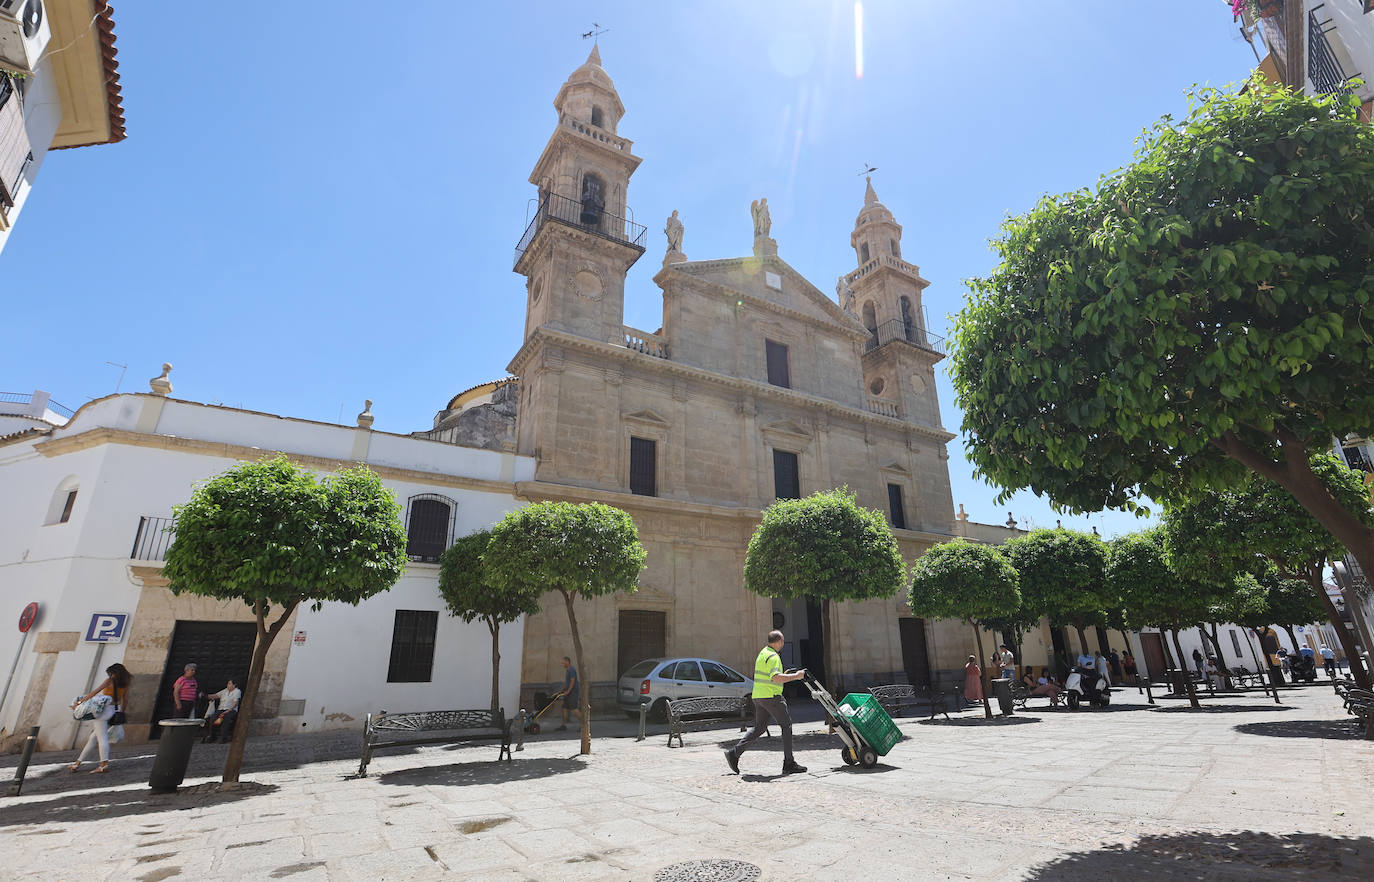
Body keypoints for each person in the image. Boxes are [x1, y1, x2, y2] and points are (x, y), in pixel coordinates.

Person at [724, 630, 808, 775]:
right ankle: (789, 763)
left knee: (759, 728)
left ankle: (734, 753)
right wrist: (797, 676)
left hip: (759, 697)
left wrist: (784, 675)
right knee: (786, 726)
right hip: (772, 697)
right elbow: (775, 678)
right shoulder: (774, 656)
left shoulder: (763, 653)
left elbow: (770, 676)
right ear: (780, 641)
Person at [69, 663, 132, 774]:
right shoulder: (126, 683)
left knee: (102, 738)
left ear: (113, 672)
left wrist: (79, 703)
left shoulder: (109, 681)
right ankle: (77, 763)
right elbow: (125, 700)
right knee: (93, 738)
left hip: (104, 711)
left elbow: (93, 693)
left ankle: (104, 765)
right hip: (115, 710)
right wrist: (122, 712)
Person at [203, 678, 242, 743]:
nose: (228, 685)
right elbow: (216, 695)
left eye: (229, 683)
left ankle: (224, 737)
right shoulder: (225, 691)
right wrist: (206, 696)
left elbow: (235, 703)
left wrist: (228, 710)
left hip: (230, 710)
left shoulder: (237, 691)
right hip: (221, 710)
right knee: (213, 719)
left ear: (234, 685)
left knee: (225, 718)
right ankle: (212, 736)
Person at [555, 656, 581, 732]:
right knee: (564, 708)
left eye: (563, 662)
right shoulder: (568, 670)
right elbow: (568, 682)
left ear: (567, 662)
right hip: (568, 692)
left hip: (573, 693)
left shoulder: (571, 670)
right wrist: (563, 690)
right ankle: (563, 725)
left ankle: (584, 725)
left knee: (574, 709)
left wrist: (568, 691)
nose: (562, 664)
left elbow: (573, 681)